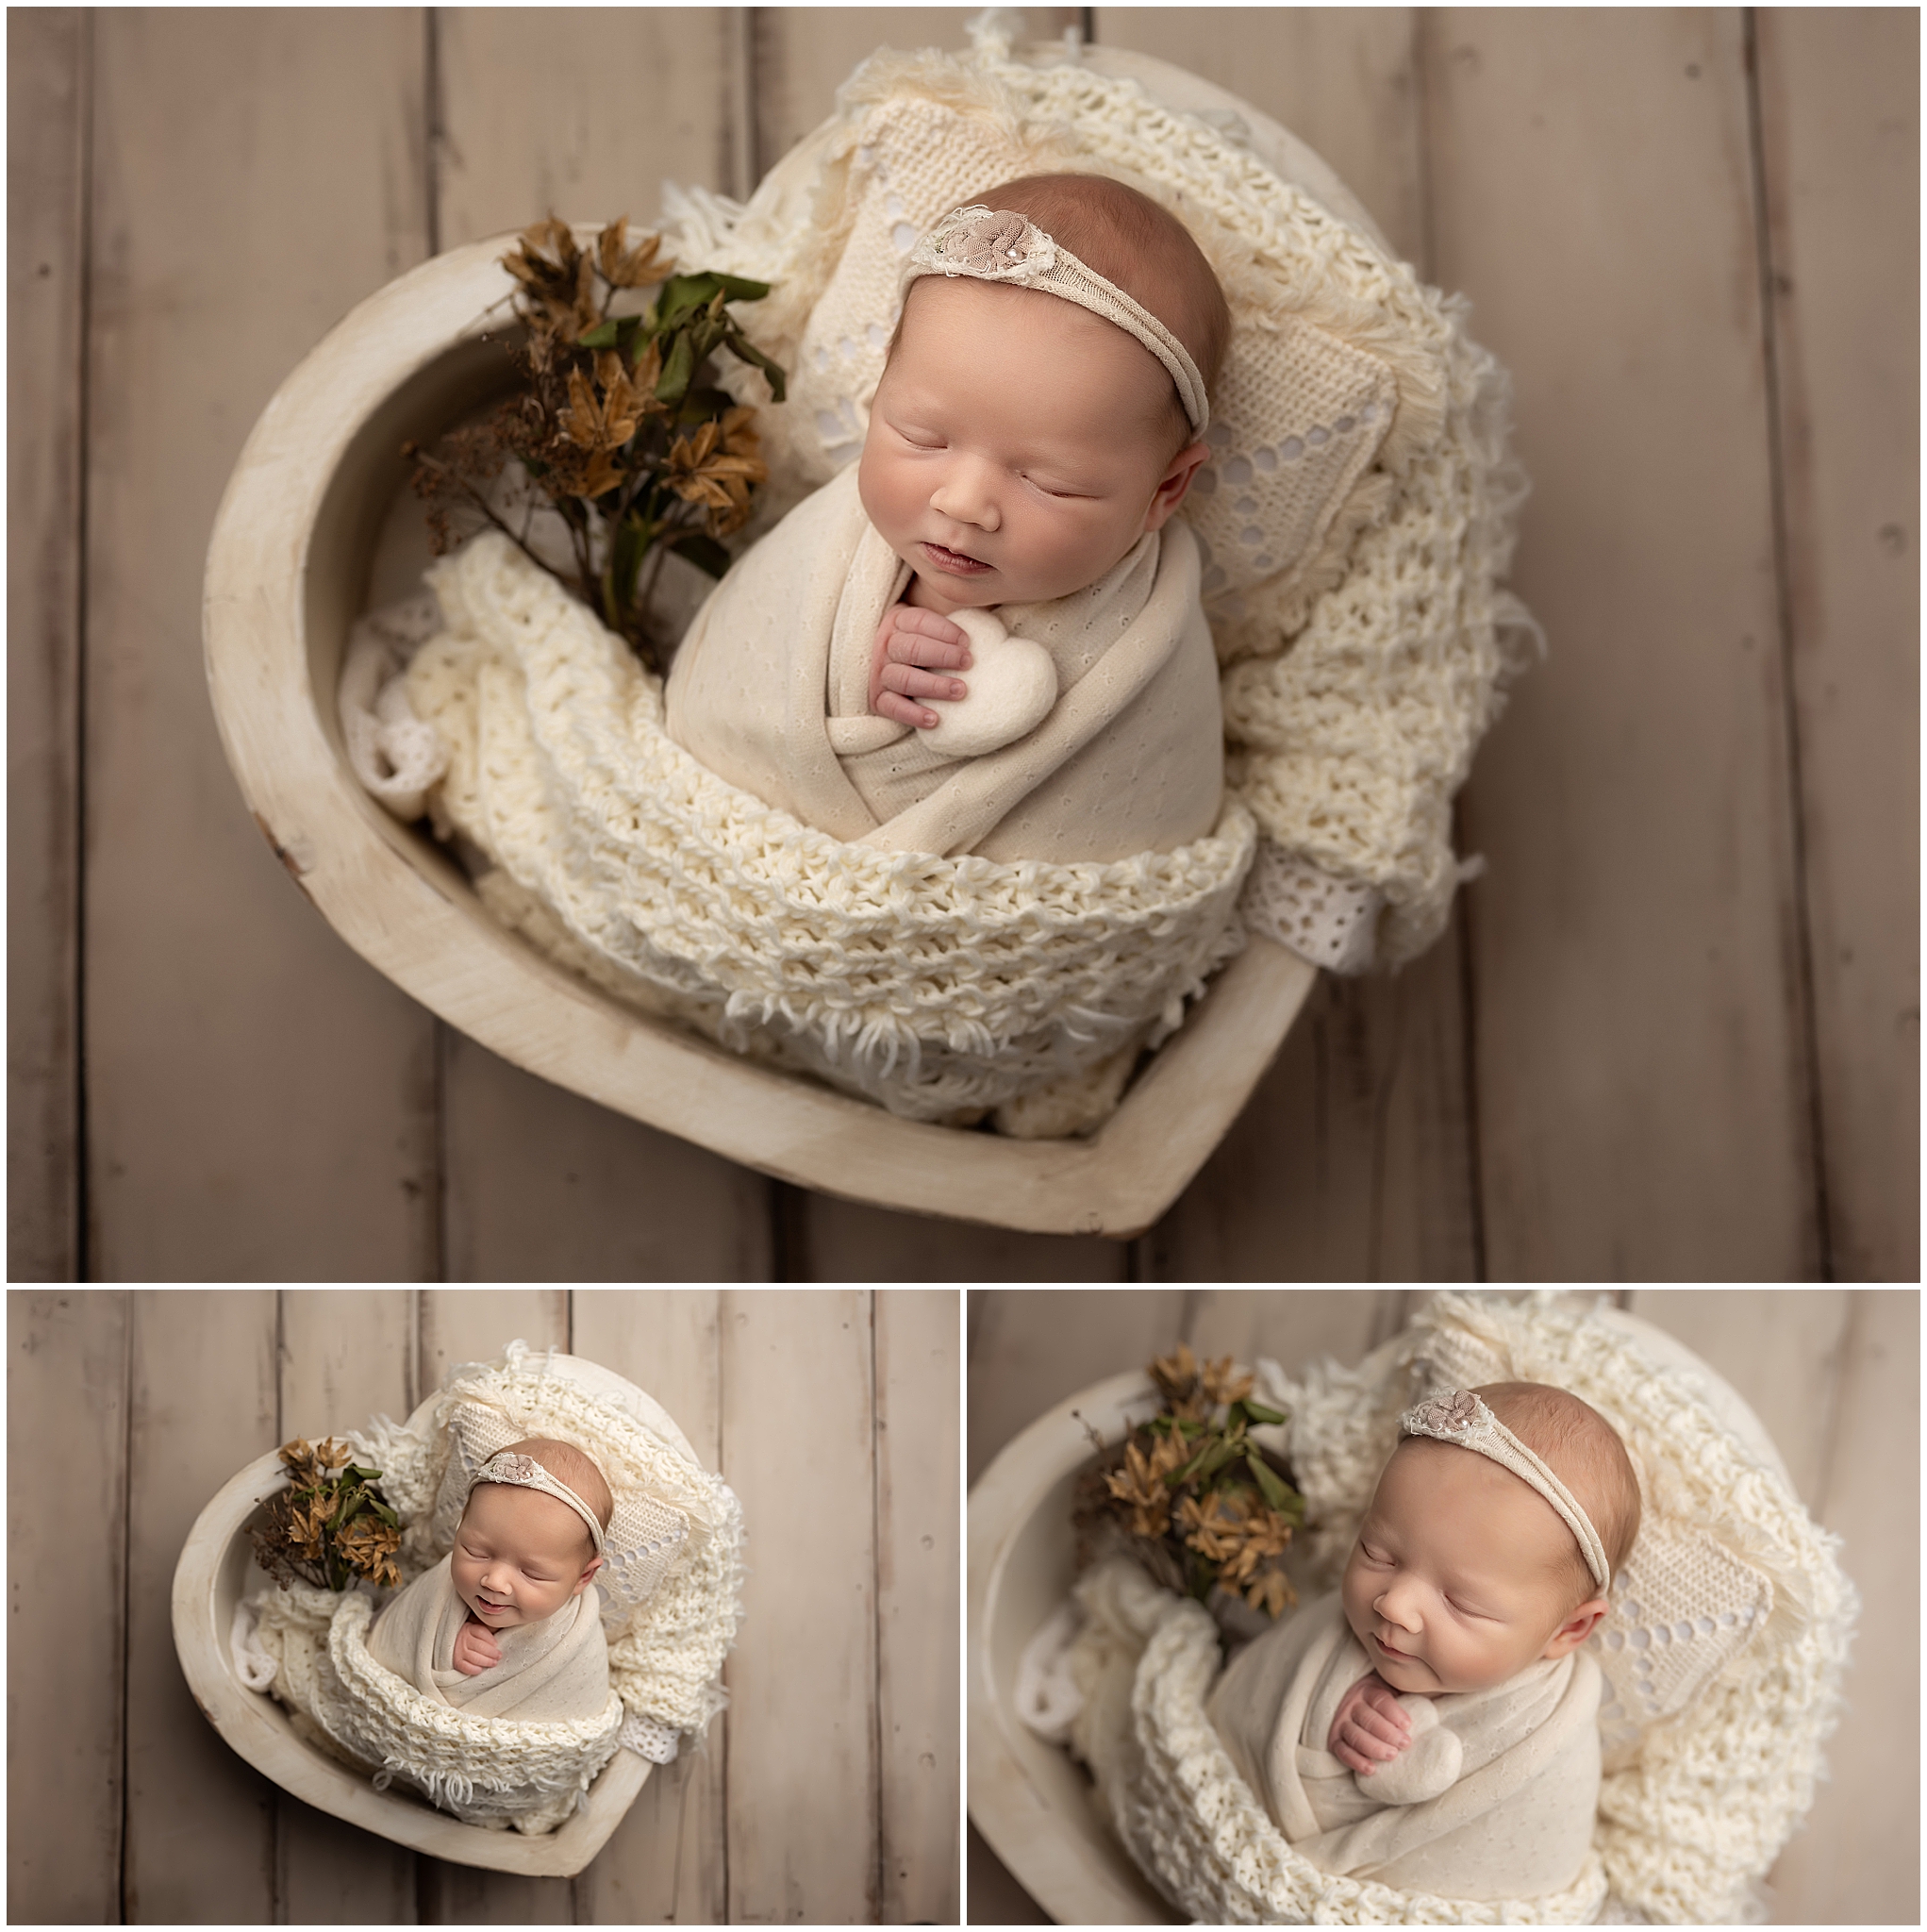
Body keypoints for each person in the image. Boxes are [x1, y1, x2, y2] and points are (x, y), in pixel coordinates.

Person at [665, 173, 1233, 866]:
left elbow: (1149, 787)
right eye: (922, 438)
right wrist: (856, 664)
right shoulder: (832, 542)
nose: (962, 503)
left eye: (1046, 481)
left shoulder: (1147, 628)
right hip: (735, 842)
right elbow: (755, 663)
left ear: (1164, 491)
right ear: (878, 395)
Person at [1205, 1383, 1640, 1902]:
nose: (1393, 1604)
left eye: (1461, 1604)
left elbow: (1529, 1864)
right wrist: (1328, 1712)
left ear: (1568, 1630)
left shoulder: (1549, 1739)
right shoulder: (1338, 1628)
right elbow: (1261, 1695)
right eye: (1377, 1552)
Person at [366, 1438, 613, 1721]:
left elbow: (577, 1710)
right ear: (461, 1526)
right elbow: (393, 1630)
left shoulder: (575, 1636)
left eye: (531, 1573)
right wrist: (445, 1644)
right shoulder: (440, 1585)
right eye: (477, 1552)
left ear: (583, 1576)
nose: (495, 1581)